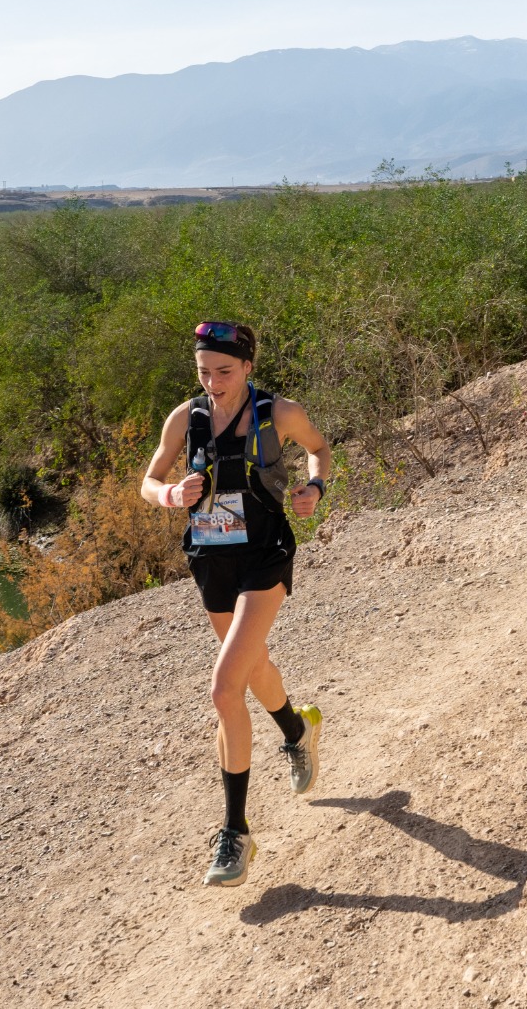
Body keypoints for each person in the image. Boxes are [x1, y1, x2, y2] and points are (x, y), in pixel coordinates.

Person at [140, 320, 332, 888]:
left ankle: (236, 832)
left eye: (224, 371)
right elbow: (148, 481)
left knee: (224, 686)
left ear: (248, 367)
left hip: (265, 555)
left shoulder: (280, 413)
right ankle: (299, 730)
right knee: (250, 667)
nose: (213, 382)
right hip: (210, 559)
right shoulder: (187, 417)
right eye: (204, 372)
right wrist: (170, 494)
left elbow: (319, 450)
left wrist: (313, 489)